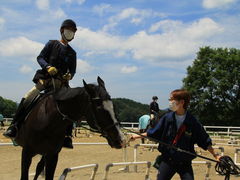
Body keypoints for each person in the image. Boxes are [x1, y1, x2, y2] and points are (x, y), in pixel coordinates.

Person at [3, 19, 77, 149]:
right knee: (28, 96)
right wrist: (48, 66)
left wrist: (69, 75)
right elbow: (40, 57)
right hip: (45, 80)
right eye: (68, 30)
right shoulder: (51, 44)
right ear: (62, 30)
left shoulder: (72, 53)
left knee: (71, 104)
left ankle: (67, 136)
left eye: (73, 31)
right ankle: (14, 126)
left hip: (61, 84)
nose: (70, 32)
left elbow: (73, 70)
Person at [131, 89, 221, 180]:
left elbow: (204, 140)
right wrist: (137, 136)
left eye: (172, 99)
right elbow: (154, 132)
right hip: (168, 160)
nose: (170, 102)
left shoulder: (192, 121)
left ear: (181, 102)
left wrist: (216, 155)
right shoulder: (167, 118)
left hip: (185, 162)